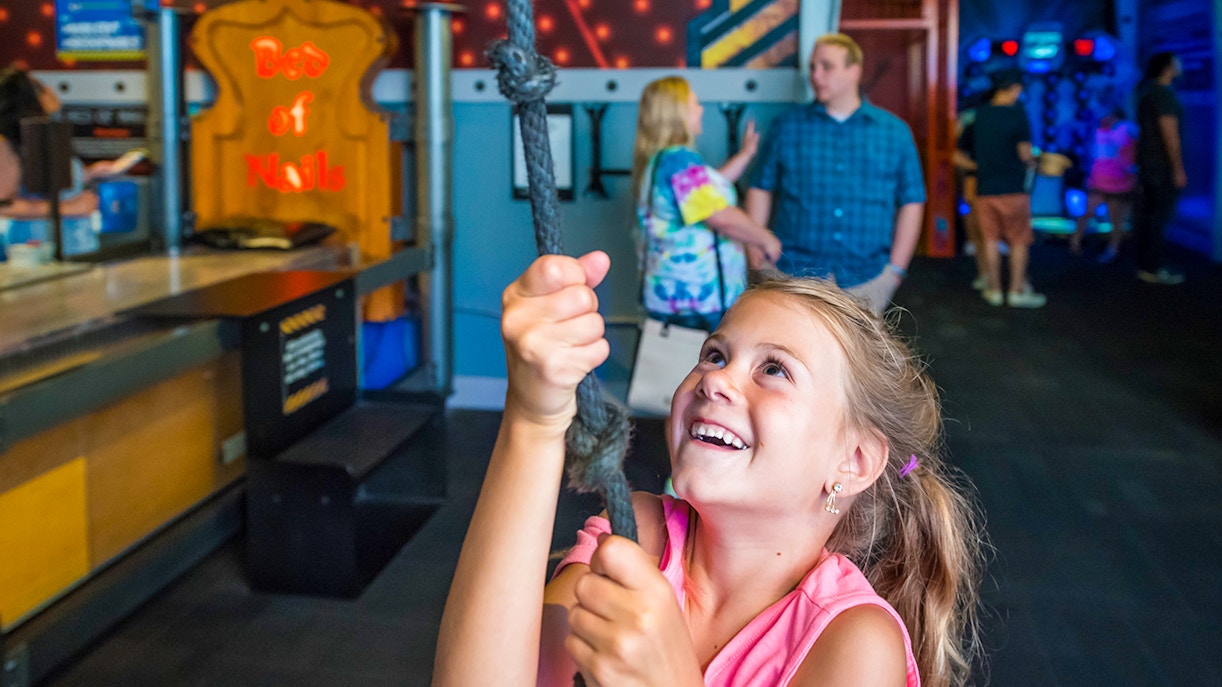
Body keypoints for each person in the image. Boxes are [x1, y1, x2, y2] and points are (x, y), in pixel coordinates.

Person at [435, 251, 985, 687]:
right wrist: (533, 419)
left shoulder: (852, 642)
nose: (714, 380)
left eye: (774, 370)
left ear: (855, 460)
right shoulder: (640, 537)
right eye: (716, 354)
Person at [745, 33, 925, 315]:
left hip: (866, 278)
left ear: (854, 71)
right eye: (813, 67)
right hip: (792, 273)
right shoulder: (787, 126)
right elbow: (760, 186)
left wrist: (896, 270)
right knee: (787, 356)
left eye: (826, 66)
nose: (816, 75)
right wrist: (754, 243)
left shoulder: (894, 132)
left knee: (856, 359)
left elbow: (913, 200)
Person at [633, 76, 781, 332]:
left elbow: (711, 189)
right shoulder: (679, 160)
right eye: (695, 104)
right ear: (677, 114)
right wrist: (764, 238)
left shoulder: (664, 161)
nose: (701, 110)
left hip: (677, 298)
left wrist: (746, 154)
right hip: (695, 304)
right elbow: (717, 214)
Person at [0, 67, 143, 219]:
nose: (50, 89)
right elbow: (3, 205)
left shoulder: (44, 134)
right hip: (37, 238)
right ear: (28, 102)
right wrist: (67, 208)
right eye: (41, 88)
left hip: (71, 234)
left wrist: (87, 174)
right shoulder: (8, 145)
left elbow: (43, 184)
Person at [955, 68, 1045, 308]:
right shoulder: (1017, 114)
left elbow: (960, 151)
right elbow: (1025, 154)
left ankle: (993, 289)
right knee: (1018, 241)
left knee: (990, 240)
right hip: (1014, 188)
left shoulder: (979, 115)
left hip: (985, 188)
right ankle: (1016, 290)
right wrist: (1037, 161)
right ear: (1015, 88)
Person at [1133, 52, 1187, 285]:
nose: (1180, 65)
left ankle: (1146, 265)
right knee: (1158, 216)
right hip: (1160, 167)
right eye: (1177, 61)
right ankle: (1153, 267)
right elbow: (1170, 133)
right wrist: (1178, 168)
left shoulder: (1148, 94)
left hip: (1147, 165)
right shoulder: (1163, 96)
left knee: (1149, 215)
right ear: (1167, 68)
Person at [1069, 107, 1138, 263]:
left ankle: (1113, 249)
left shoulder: (1128, 128)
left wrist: (1132, 167)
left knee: (1116, 218)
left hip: (1120, 181)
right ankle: (1075, 242)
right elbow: (1094, 154)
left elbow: (1137, 147)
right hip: (1099, 179)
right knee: (1087, 211)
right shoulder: (1099, 130)